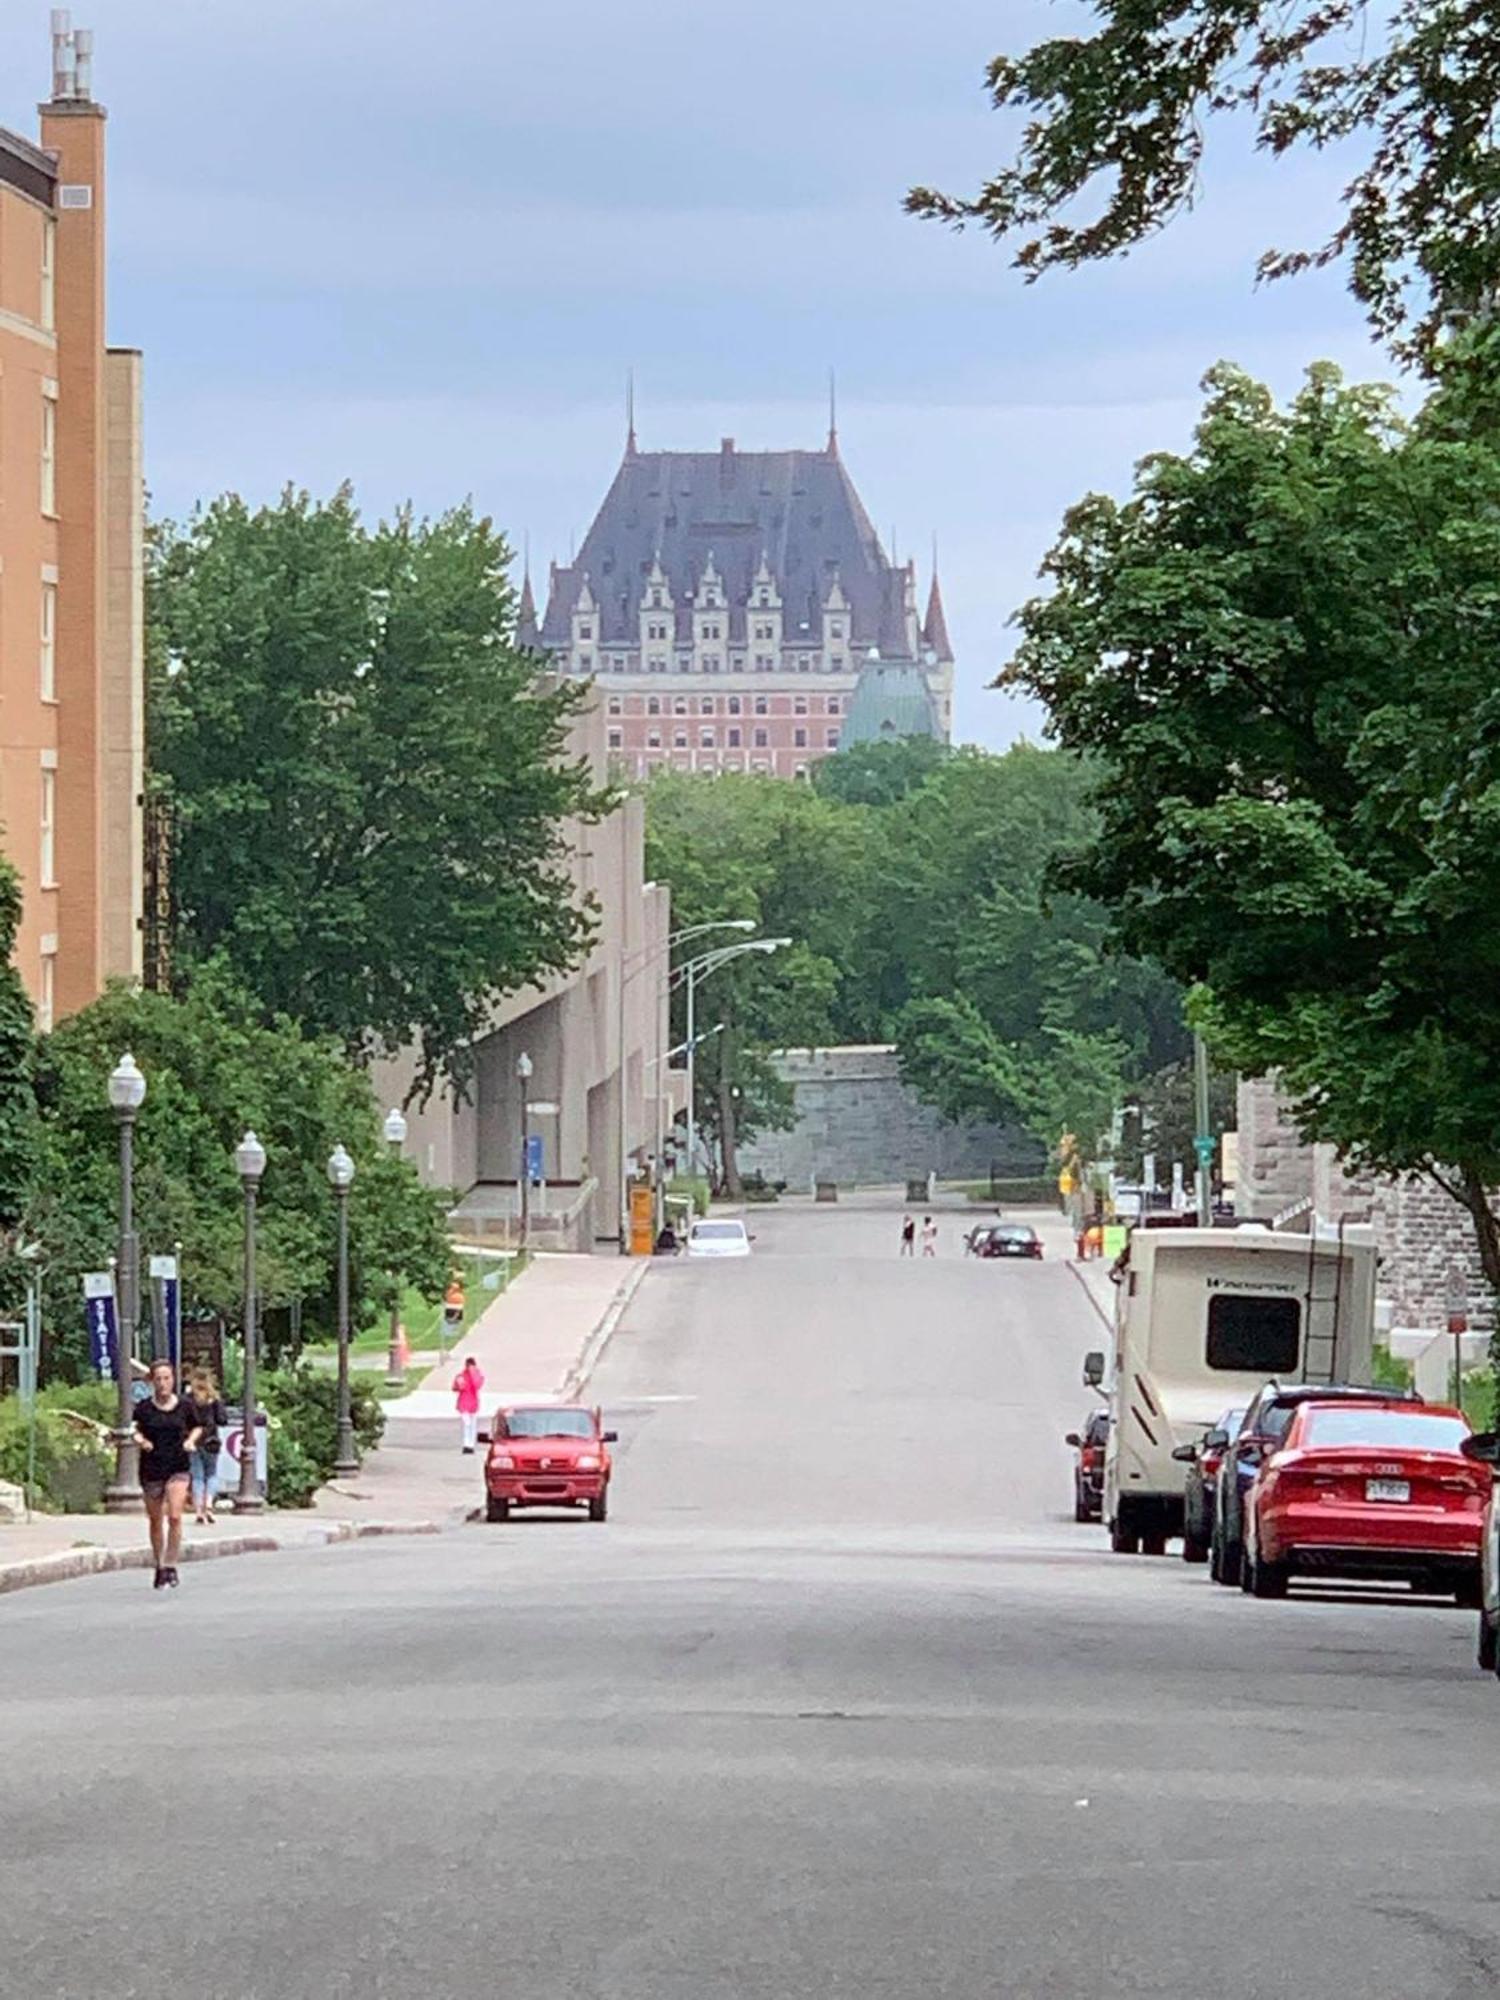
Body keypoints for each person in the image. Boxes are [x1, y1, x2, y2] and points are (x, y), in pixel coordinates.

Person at [132, 1357, 202, 1590]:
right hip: (152, 1467)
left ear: (173, 1380)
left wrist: (191, 1441)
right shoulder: (144, 1408)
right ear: (152, 1381)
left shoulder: (184, 1405)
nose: (163, 1383)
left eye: (167, 1378)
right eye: (158, 1379)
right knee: (155, 1520)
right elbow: (134, 1430)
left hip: (177, 1465)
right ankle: (159, 1564)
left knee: (174, 1516)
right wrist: (141, 1441)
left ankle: (171, 1564)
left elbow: (197, 1426)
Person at [186, 1366, 228, 1526]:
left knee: (196, 1476)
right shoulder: (214, 1399)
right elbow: (223, 1420)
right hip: (211, 1441)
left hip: (194, 1441)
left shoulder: (188, 1399)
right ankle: (209, 1504)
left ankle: (198, 1511)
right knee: (211, 1474)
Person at [454, 1355, 486, 1455]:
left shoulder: (477, 1375)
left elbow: (478, 1385)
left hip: (472, 1403)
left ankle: (470, 1445)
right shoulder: (461, 1376)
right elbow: (456, 1387)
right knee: (467, 1424)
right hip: (465, 1403)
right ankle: (466, 1444)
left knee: (471, 1424)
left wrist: (473, 1373)